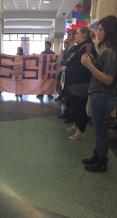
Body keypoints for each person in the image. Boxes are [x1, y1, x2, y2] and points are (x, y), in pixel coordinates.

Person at [81, 15, 117, 172]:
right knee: (98, 130)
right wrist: (94, 63)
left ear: (109, 31)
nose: (98, 32)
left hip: (102, 96)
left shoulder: (111, 52)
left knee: (101, 131)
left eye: (101, 30)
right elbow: (104, 71)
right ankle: (98, 155)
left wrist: (90, 66)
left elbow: (108, 79)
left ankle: (102, 161)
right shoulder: (108, 51)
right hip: (101, 95)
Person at [65, 26, 97, 140]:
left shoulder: (88, 48)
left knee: (79, 107)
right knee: (75, 106)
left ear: (84, 35)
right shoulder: (78, 47)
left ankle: (82, 131)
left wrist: (66, 69)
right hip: (75, 82)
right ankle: (78, 125)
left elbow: (83, 67)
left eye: (77, 33)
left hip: (82, 82)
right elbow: (68, 59)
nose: (75, 35)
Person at [58, 29, 77, 124]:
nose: (68, 36)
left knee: (70, 95)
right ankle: (67, 111)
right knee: (66, 94)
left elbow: (71, 62)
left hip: (70, 74)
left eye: (70, 35)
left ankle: (72, 114)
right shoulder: (69, 48)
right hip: (65, 73)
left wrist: (65, 64)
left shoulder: (75, 48)